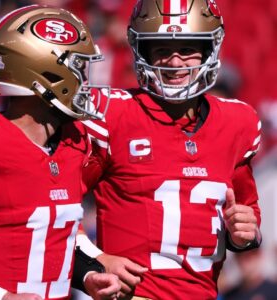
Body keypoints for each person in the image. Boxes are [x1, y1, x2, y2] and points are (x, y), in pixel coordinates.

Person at [77, 0, 262, 299]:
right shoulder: (113, 114)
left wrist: (245, 234)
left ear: (208, 50)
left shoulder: (238, 122)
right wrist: (92, 262)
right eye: (162, 50)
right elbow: (54, 205)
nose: (175, 63)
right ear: (142, 52)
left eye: (188, 49)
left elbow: (245, 214)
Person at [0, 5, 121, 300]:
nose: (84, 80)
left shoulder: (75, 141)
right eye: (77, 67)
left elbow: (58, 233)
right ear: (44, 71)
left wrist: (90, 274)